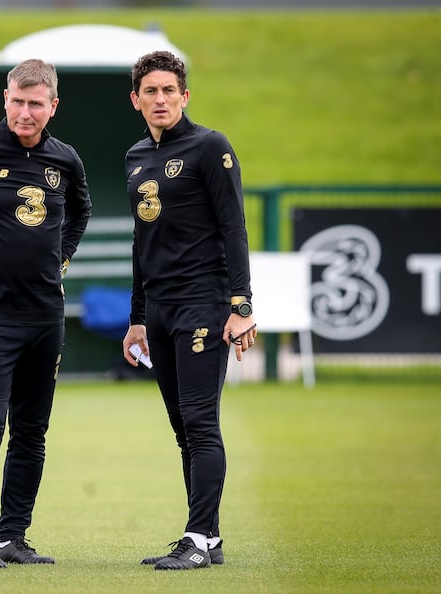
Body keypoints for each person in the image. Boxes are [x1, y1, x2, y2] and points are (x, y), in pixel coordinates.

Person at [0, 59, 92, 569]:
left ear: (53, 107)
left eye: (36, 104)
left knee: (31, 431)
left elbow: (81, 210)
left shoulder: (65, 159)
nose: (25, 112)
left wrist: (62, 257)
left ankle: (14, 537)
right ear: (5, 99)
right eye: (18, 101)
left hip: (45, 316)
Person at [121, 51, 257, 570]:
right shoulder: (135, 155)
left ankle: (197, 537)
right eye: (150, 91)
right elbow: (141, 242)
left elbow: (234, 227)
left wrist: (241, 304)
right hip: (158, 310)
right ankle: (209, 539)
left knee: (201, 422)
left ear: (184, 97)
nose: (160, 99)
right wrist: (137, 316)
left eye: (168, 91)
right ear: (136, 100)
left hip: (203, 301)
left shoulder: (210, 146)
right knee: (183, 426)